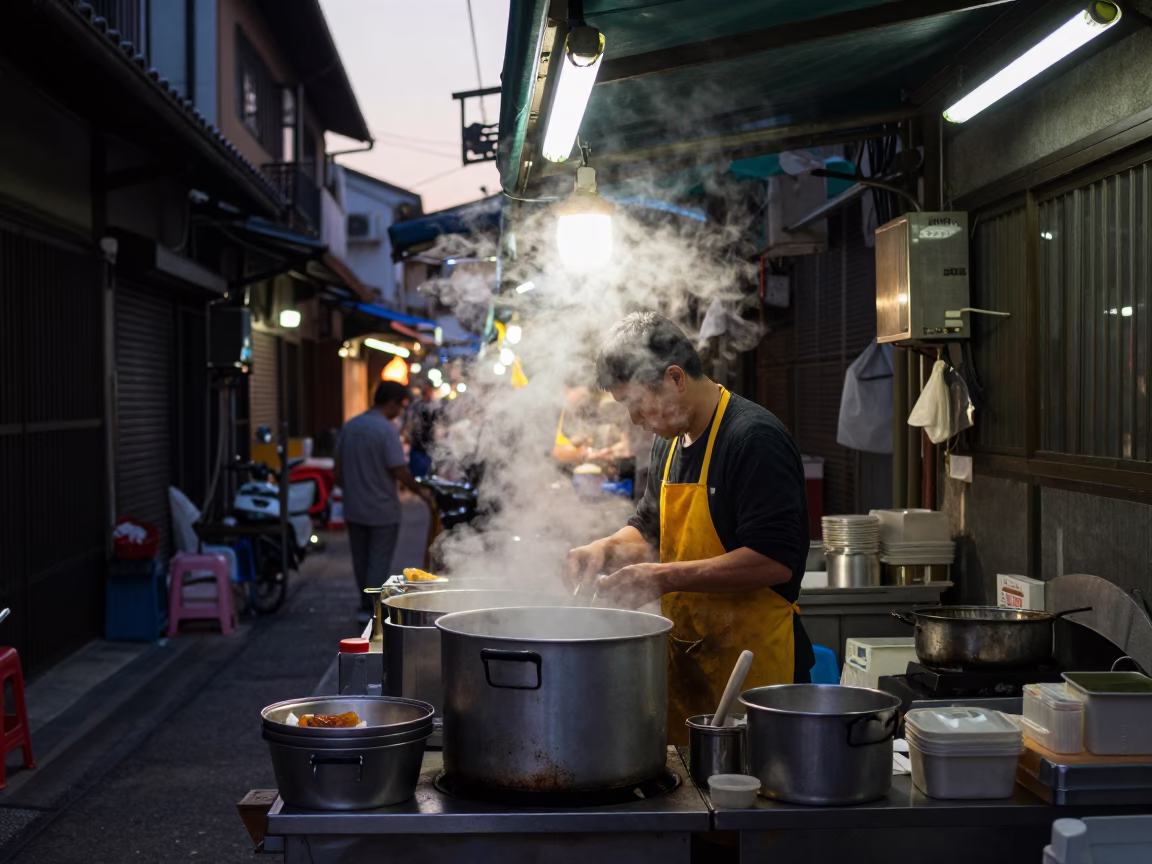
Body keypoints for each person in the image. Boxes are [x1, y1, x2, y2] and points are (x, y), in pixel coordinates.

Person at [566, 312, 814, 746]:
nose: (636, 421)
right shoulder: (670, 441)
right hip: (691, 663)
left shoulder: (753, 438)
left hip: (755, 678)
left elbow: (775, 561)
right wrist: (604, 548)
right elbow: (648, 528)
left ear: (675, 378)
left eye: (636, 404)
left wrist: (663, 577)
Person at [335, 381, 432, 622]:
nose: (401, 411)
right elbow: (399, 468)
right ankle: (372, 608)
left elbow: (337, 470)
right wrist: (422, 492)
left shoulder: (350, 427)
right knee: (378, 560)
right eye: (400, 406)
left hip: (354, 506)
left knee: (360, 560)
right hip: (382, 509)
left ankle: (363, 604)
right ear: (390, 402)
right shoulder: (386, 430)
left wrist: (352, 488)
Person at [403, 381, 440, 479]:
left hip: (430, 442)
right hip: (416, 442)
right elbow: (409, 420)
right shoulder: (416, 405)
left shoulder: (435, 405)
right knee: (416, 470)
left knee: (428, 469)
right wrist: (408, 433)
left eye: (428, 389)